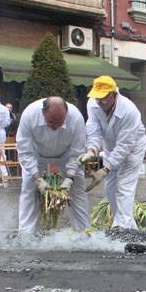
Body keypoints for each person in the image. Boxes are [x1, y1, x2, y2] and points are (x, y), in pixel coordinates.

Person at [79, 75, 146, 229]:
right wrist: (92, 150)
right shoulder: (93, 103)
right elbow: (94, 129)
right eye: (97, 97)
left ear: (114, 95)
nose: (99, 102)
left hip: (133, 147)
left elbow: (124, 145)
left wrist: (105, 169)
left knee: (124, 185)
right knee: (110, 188)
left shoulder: (129, 111)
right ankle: (126, 225)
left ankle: (122, 228)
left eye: (103, 98)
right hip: (110, 146)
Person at [17, 96, 88, 234]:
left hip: (66, 155)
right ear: (43, 113)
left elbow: (77, 152)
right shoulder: (29, 114)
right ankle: (27, 234)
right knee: (29, 190)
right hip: (37, 155)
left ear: (66, 114)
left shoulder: (76, 118)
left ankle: (83, 231)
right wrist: (38, 178)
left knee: (78, 190)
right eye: (51, 123)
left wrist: (69, 177)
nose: (55, 128)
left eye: (59, 123)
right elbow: (25, 151)